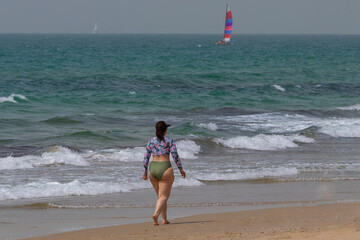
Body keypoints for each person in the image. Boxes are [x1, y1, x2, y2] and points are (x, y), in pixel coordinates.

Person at [143, 121, 186, 225]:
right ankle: (156, 214)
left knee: (161, 197)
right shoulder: (169, 140)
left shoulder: (151, 141)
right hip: (165, 168)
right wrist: (181, 169)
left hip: (152, 169)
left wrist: (144, 172)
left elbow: (146, 157)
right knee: (163, 196)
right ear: (165, 130)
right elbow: (175, 155)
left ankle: (164, 219)